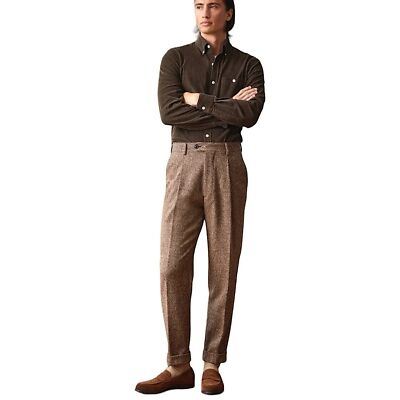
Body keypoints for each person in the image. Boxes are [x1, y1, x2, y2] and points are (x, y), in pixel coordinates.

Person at [135, 0, 265, 395]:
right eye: (198, 5)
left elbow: (249, 116)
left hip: (227, 162)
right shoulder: (175, 58)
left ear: (229, 13)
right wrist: (226, 106)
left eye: (213, 5)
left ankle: (211, 364)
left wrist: (198, 99)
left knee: (223, 265)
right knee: (171, 264)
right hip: (183, 161)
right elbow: (168, 112)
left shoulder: (249, 65)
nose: (205, 12)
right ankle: (178, 365)